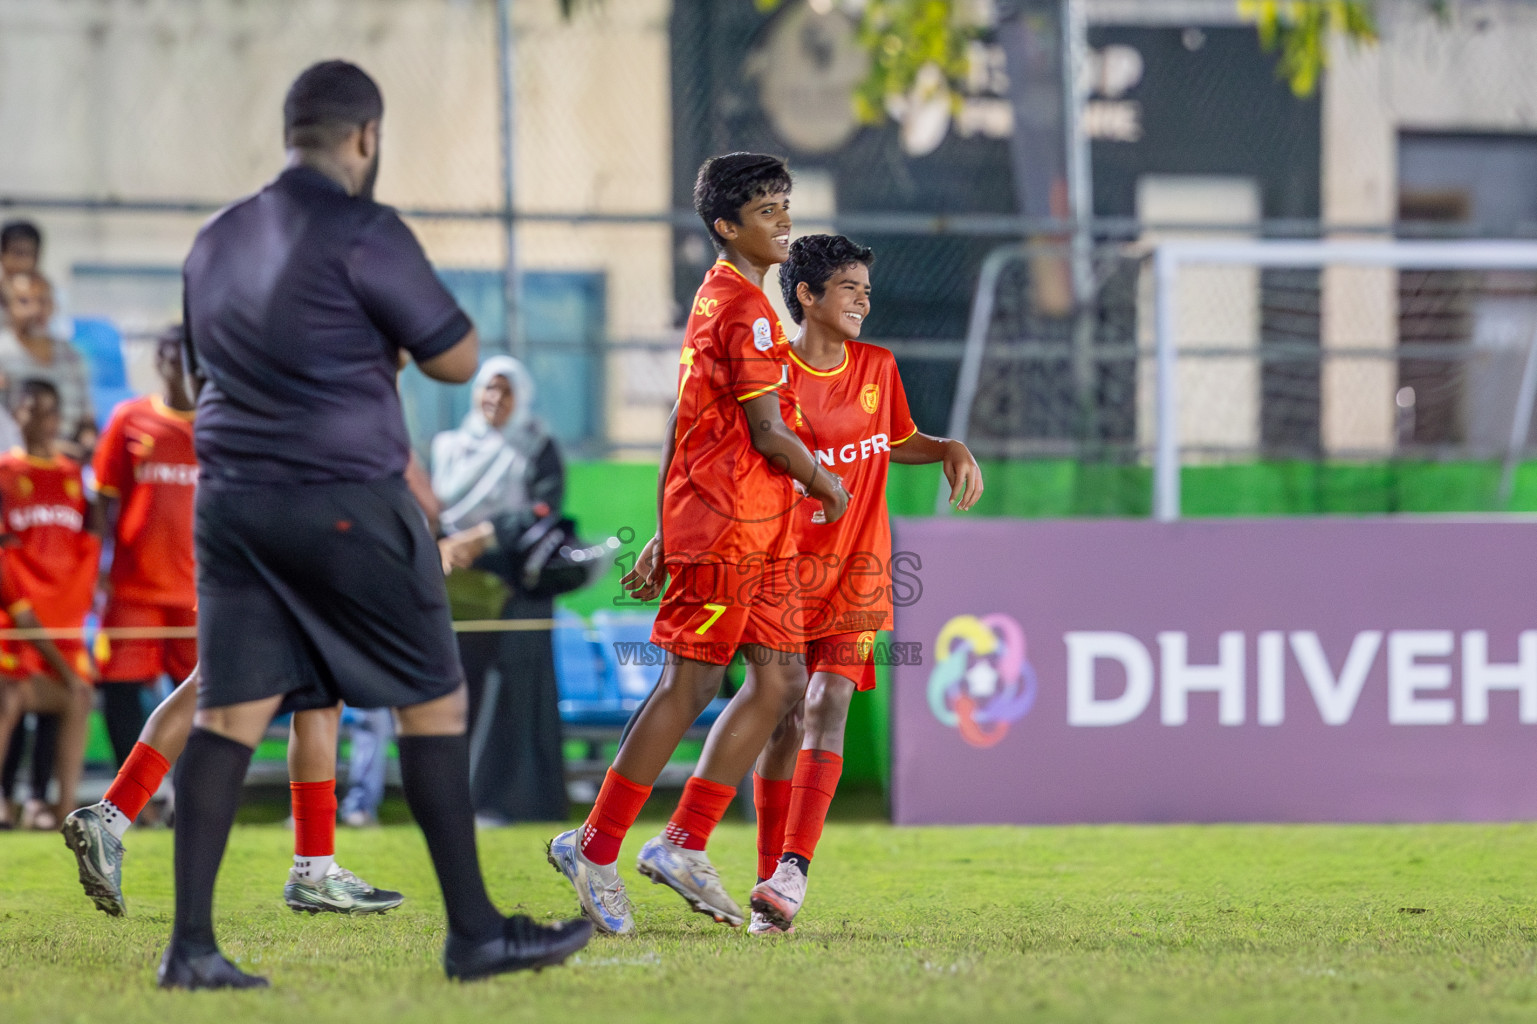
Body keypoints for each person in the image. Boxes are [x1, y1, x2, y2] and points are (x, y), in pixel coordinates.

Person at [156, 60, 590, 990]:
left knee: (231, 711)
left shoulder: (215, 239)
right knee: (432, 698)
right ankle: (474, 933)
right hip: (343, 496)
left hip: (231, 502)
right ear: (366, 137)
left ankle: (189, 947)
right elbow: (457, 357)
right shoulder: (363, 227)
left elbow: (202, 374)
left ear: (291, 132)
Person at [546, 152, 849, 936]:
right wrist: (824, 481)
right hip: (727, 525)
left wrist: (657, 528)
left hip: (748, 527)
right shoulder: (740, 308)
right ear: (726, 227)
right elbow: (767, 432)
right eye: (765, 209)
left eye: (785, 203)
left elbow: (683, 427)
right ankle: (596, 844)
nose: (783, 219)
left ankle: (682, 842)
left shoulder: (729, 301)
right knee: (689, 685)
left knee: (779, 681)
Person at [746, 235, 982, 933]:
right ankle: (767, 881)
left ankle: (793, 871)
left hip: (857, 568)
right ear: (806, 297)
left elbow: (893, 438)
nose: (863, 300)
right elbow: (736, 457)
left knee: (828, 702)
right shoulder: (769, 375)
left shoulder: (878, 366)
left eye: (866, 289)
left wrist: (943, 446)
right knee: (783, 715)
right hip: (782, 569)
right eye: (848, 287)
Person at [64, 665, 404, 917]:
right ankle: (312, 873)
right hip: (294, 570)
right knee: (314, 690)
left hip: (233, 569)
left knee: (297, 689)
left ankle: (111, 816)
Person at [432, 356, 568, 824]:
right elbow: (434, 508)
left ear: (521, 395)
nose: (495, 399)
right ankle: (455, 800)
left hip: (515, 591)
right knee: (457, 693)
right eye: (488, 388)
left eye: (506, 391)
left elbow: (543, 511)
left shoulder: (536, 444)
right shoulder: (449, 447)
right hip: (457, 590)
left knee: (512, 695)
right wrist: (448, 545)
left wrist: (484, 537)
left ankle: (509, 801)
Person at [90, 327, 198, 769]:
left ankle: (186, 795)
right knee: (120, 688)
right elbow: (103, 499)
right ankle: (131, 801)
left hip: (199, 589)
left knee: (198, 696)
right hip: (134, 586)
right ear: (159, 360)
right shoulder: (129, 418)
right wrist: (95, 568)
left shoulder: (223, 424)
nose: (180, 363)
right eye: (171, 353)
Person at [0, 379, 101, 827]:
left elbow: (90, 542)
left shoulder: (71, 475)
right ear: (15, 415)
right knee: (10, 700)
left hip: (61, 618)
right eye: (29, 408)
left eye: (48, 409)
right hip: (15, 617)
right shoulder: (4, 471)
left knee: (69, 701)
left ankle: (56, 806)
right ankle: (9, 798)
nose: (39, 418)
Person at [0, 272, 93, 455]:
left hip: (65, 459)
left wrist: (88, 443)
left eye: (43, 301)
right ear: (8, 308)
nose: (35, 310)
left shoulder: (72, 356)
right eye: (24, 301)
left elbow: (86, 420)